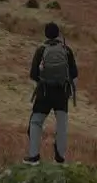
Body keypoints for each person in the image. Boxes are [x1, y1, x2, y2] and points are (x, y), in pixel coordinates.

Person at [25, 21, 78, 165]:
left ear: (46, 34)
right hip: (62, 94)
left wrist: (42, 80)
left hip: (44, 93)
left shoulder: (41, 50)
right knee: (61, 126)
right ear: (58, 34)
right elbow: (74, 74)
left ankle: (34, 156)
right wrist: (70, 93)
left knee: (36, 122)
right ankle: (59, 159)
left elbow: (33, 74)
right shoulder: (66, 50)